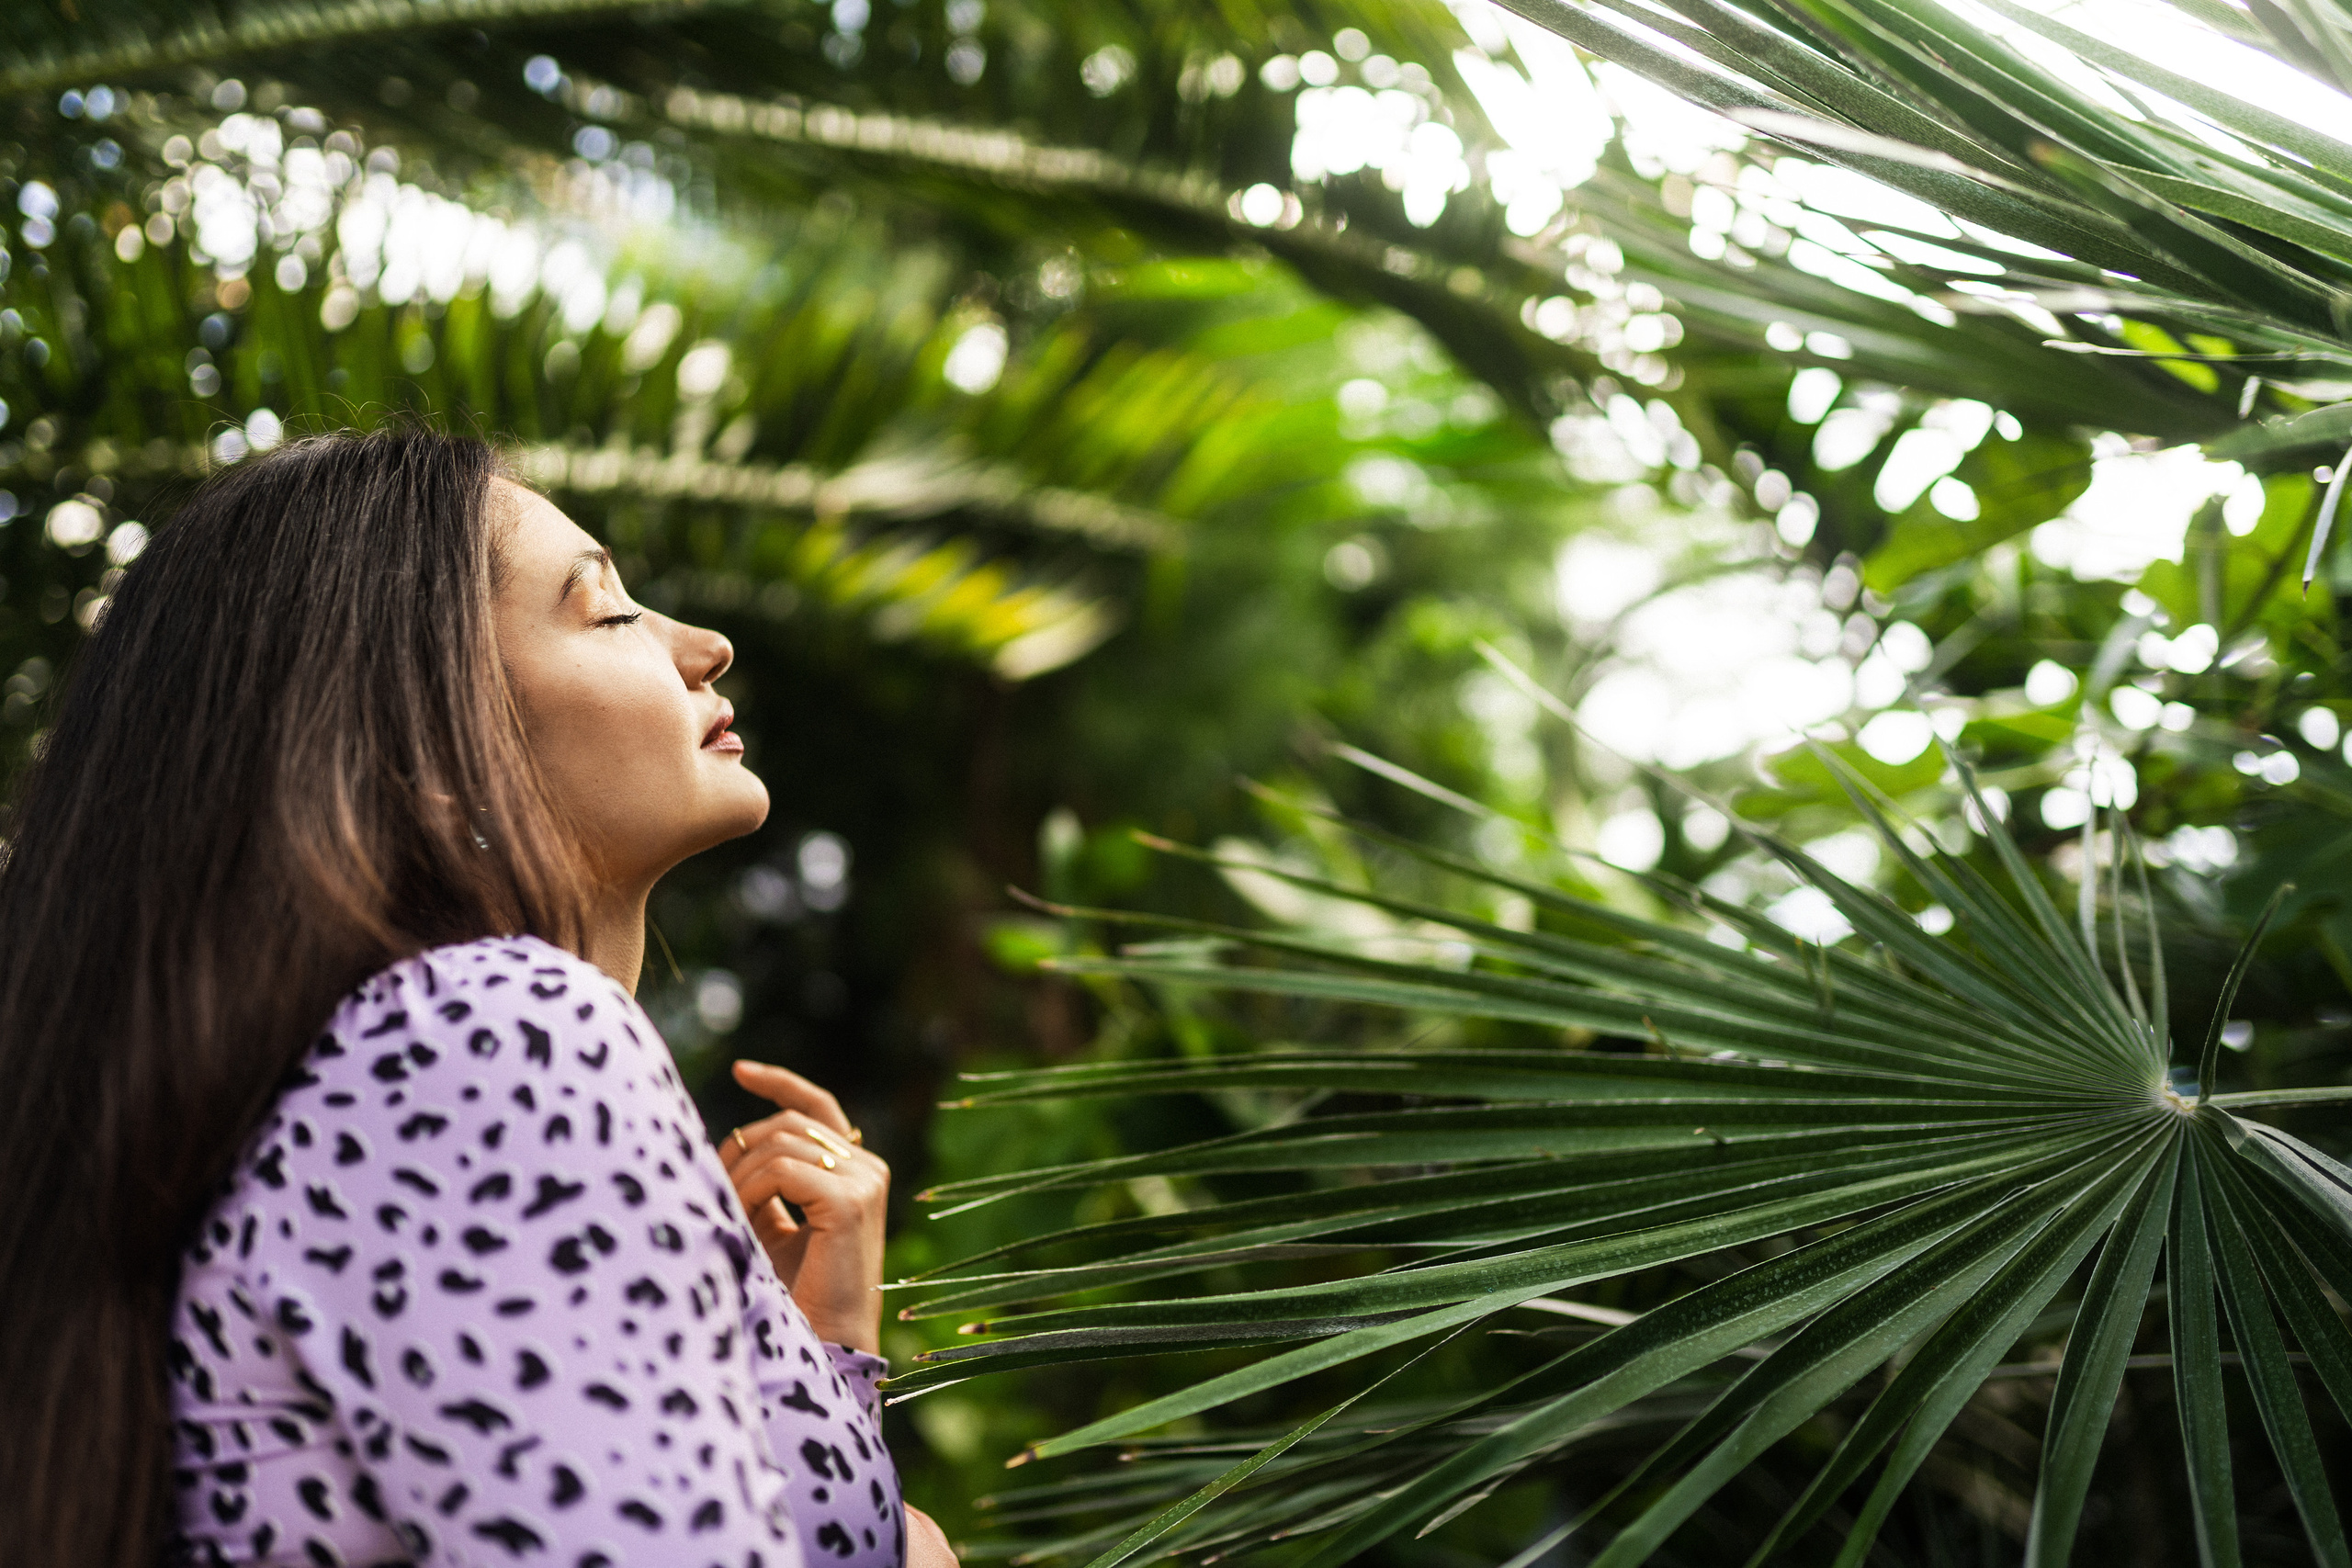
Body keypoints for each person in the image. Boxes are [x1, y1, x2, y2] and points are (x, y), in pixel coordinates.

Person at [0, 427, 957, 1568]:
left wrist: (815, 1358)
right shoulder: (486, 1040)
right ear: (426, 751)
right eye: (608, 610)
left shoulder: (361, 1078)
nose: (704, 645)